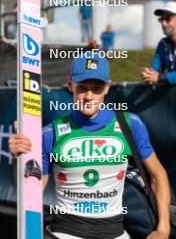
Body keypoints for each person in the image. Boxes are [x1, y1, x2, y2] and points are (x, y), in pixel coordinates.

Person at [9, 53, 170, 239]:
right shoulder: (50, 133)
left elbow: (158, 175)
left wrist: (163, 229)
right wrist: (19, 159)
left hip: (115, 232)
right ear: (71, 86)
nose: (88, 96)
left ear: (107, 88)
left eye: (97, 88)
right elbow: (31, 192)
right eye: (82, 88)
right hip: (65, 232)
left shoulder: (131, 125)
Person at [141, 1, 176, 85]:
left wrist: (160, 78)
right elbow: (155, 69)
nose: (163, 23)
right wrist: (148, 74)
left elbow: (159, 77)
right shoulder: (163, 44)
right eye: (161, 19)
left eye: (167, 19)